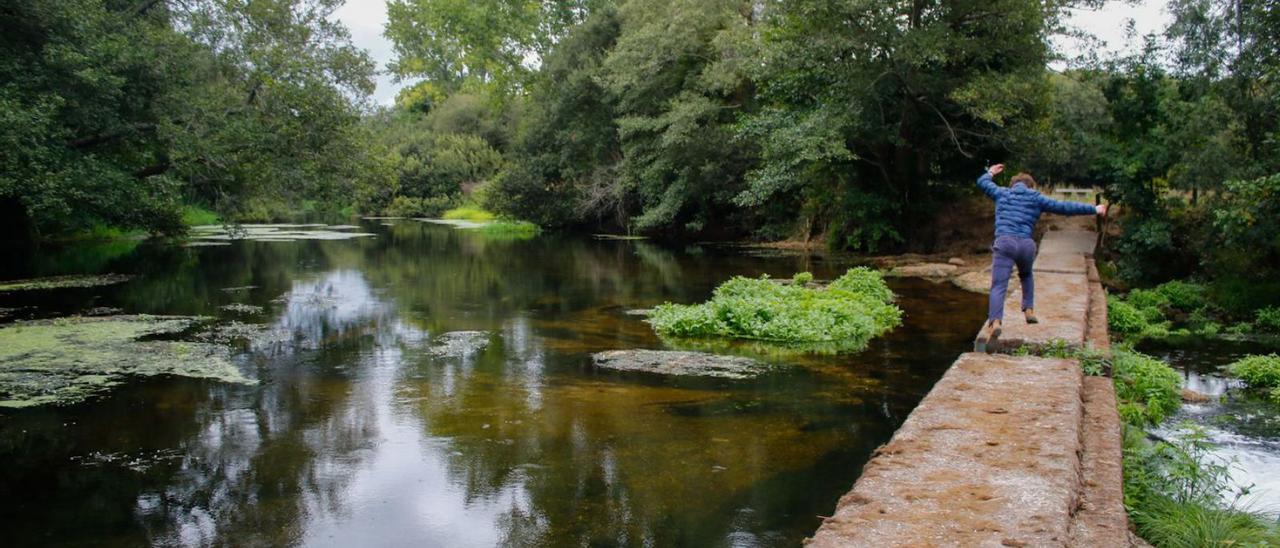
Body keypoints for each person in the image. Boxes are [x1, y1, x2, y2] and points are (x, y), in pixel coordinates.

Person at [974, 163, 1106, 350]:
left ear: (1013, 185)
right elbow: (1064, 207)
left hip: (1005, 242)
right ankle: (1028, 310)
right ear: (1031, 186)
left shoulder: (1003, 193)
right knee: (1026, 275)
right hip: (1026, 245)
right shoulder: (1036, 198)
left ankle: (996, 322)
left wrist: (990, 172)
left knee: (998, 286)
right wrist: (1094, 209)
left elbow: (982, 183)